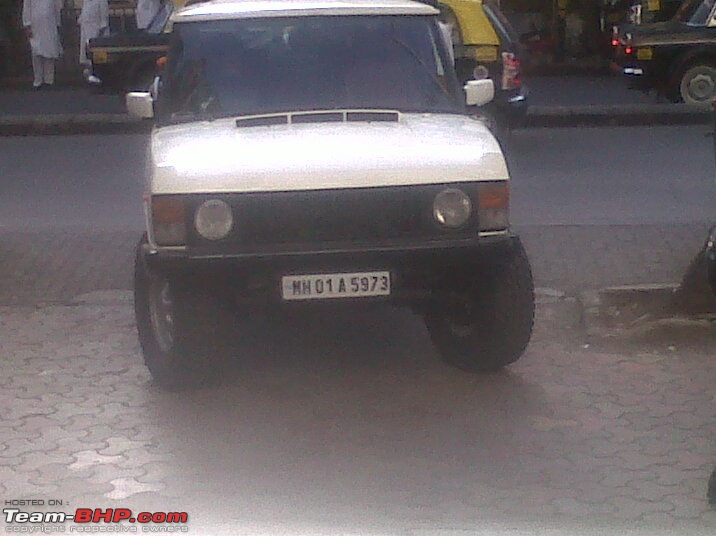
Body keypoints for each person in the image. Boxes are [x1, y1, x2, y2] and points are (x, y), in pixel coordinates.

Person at [22, 0, 62, 89]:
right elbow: (26, 9)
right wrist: (27, 25)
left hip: (50, 25)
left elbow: (56, 9)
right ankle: (38, 81)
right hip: (35, 26)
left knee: (50, 53)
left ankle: (49, 81)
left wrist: (58, 24)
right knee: (36, 53)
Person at [78, 0, 108, 78]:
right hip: (85, 34)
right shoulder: (86, 1)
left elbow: (104, 22)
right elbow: (82, 17)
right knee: (87, 59)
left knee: (97, 60)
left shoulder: (102, 1)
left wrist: (98, 39)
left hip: (95, 35)